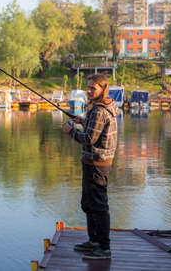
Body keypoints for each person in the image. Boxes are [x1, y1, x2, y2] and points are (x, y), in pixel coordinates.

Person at [63, 74, 119, 260]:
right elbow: (96, 128)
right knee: (88, 203)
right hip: (94, 162)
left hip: (97, 163)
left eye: (92, 88)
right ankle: (93, 241)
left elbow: (88, 139)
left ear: (103, 89)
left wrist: (71, 131)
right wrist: (83, 121)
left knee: (99, 206)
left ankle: (104, 248)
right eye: (87, 87)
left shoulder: (99, 111)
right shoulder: (105, 107)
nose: (88, 91)